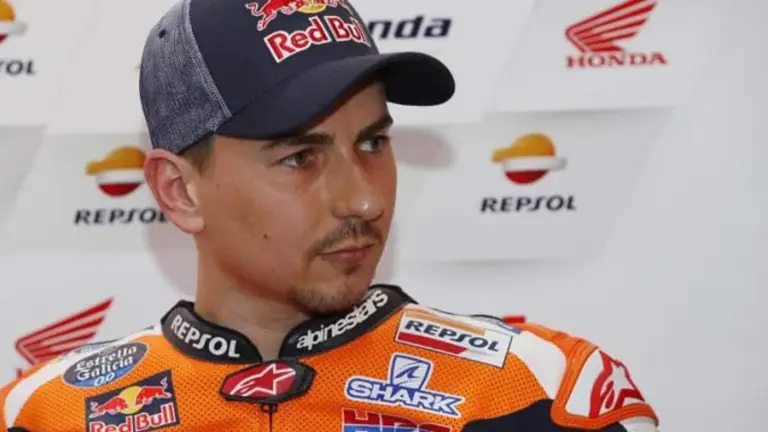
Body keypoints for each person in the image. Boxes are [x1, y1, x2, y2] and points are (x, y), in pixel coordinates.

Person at [0, 0, 661, 430]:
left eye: (372, 144)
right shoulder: (47, 414)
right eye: (299, 158)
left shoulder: (540, 392)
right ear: (179, 191)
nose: (365, 200)